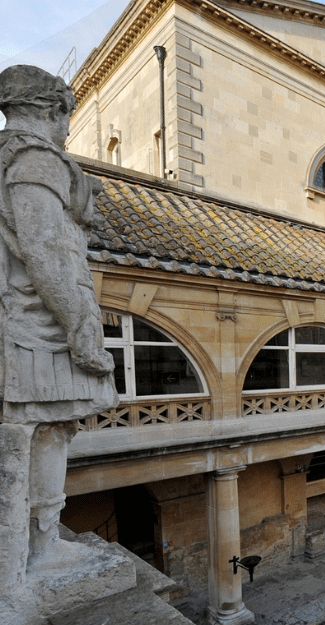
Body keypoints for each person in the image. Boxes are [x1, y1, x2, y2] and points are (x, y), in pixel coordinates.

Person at [0, 65, 118, 569]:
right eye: (67, 115)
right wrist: (80, 326)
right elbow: (45, 250)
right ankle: (40, 546)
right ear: (50, 110)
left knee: (40, 429)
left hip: (29, 321)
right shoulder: (34, 158)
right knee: (45, 428)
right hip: (37, 328)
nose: (68, 128)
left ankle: (32, 542)